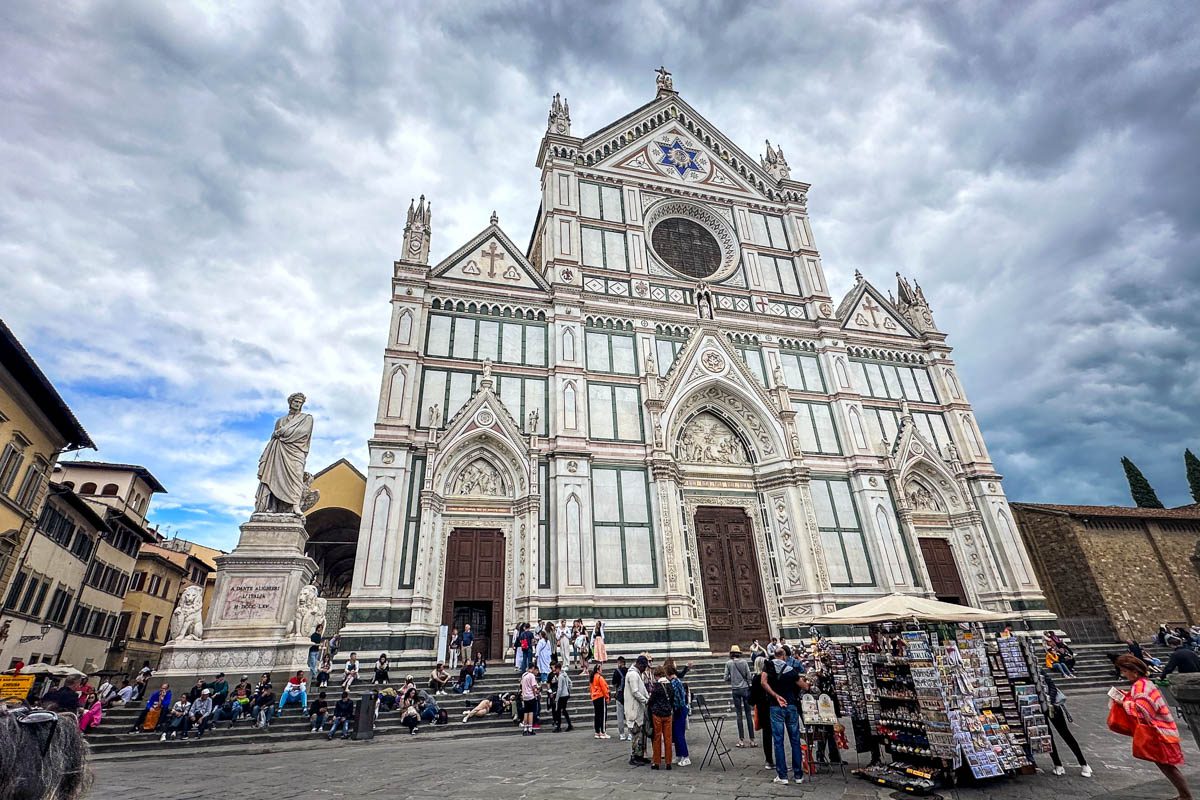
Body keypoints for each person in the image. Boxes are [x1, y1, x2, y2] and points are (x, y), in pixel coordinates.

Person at [1112, 654, 1192, 800]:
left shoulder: (1140, 687)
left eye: (1124, 671)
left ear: (1134, 671)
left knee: (1167, 766)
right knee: (1165, 766)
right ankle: (1184, 795)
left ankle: (1185, 796)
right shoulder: (1143, 683)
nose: (1123, 674)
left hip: (1160, 732)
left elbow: (1143, 712)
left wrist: (1123, 703)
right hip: (1162, 730)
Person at [762, 645, 807, 785]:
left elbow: (763, 682)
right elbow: (805, 686)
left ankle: (782, 776)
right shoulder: (791, 670)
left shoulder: (768, 667)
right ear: (785, 656)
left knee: (778, 742)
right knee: (795, 741)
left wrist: (776, 696)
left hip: (776, 707)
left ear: (774, 655)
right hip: (791, 706)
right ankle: (798, 775)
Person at [1041, 673, 1091, 777]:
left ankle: (1083, 763)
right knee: (1048, 736)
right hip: (1040, 709)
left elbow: (1052, 686)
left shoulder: (1039, 670)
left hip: (1052, 706)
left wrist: (1050, 700)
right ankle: (1057, 764)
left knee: (1065, 734)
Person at [724, 645, 755, 748]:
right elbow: (749, 676)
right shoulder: (744, 662)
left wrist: (733, 679)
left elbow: (725, 678)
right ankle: (752, 740)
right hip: (745, 689)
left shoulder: (728, 663)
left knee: (739, 715)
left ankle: (741, 740)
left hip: (735, 690)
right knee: (748, 715)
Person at [624, 655, 651, 765]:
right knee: (636, 734)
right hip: (634, 709)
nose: (645, 669)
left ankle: (640, 755)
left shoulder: (636, 674)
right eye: (644, 667)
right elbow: (635, 692)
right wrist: (646, 700)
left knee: (641, 734)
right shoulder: (633, 675)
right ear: (640, 665)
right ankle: (634, 756)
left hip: (639, 709)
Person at [750, 655, 775, 770]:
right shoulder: (770, 677)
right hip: (772, 706)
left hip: (762, 708)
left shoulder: (756, 679)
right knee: (777, 733)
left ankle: (769, 760)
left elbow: (751, 699)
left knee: (766, 734)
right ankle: (777, 759)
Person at [647, 665, 675, 770]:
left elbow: (651, 701)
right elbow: (672, 699)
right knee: (668, 738)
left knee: (657, 738)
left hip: (657, 715)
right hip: (668, 714)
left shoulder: (657, 687)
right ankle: (668, 762)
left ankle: (657, 762)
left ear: (657, 675)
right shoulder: (670, 686)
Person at [668, 662, 690, 766]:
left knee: (679, 734)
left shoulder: (674, 683)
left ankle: (685, 756)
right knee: (676, 734)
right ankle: (679, 755)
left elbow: (676, 698)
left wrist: (673, 710)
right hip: (681, 709)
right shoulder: (677, 681)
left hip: (679, 710)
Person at [590, 663, 611, 739]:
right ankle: (603, 731)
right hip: (601, 697)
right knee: (603, 715)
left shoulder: (592, 677)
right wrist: (607, 697)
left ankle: (597, 731)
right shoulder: (600, 678)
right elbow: (604, 689)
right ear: (598, 670)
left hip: (595, 697)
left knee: (597, 715)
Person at [551, 661, 574, 732]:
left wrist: (556, 698)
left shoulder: (560, 676)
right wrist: (568, 690)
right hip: (566, 694)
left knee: (558, 710)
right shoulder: (565, 674)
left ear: (558, 669)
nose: (555, 671)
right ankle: (569, 724)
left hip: (562, 695)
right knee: (563, 710)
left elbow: (560, 688)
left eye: (556, 669)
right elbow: (570, 683)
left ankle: (559, 727)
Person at [520, 662, 539, 736]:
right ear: (533, 668)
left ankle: (525, 728)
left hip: (525, 696)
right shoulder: (531, 676)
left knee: (526, 712)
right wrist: (535, 695)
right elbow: (534, 687)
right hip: (530, 696)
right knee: (530, 712)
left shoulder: (524, 675)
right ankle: (530, 728)